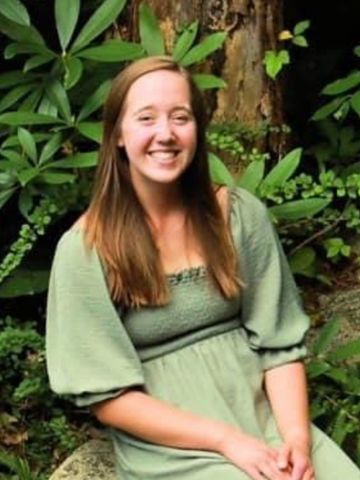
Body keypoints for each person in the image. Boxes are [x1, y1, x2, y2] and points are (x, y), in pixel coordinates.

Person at [46, 56, 360, 480]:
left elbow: (279, 346)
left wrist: (296, 442)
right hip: (175, 443)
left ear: (198, 129)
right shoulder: (86, 249)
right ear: (118, 134)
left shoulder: (238, 215)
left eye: (181, 117)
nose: (166, 134)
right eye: (146, 118)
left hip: (263, 414)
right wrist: (226, 440)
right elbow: (108, 399)